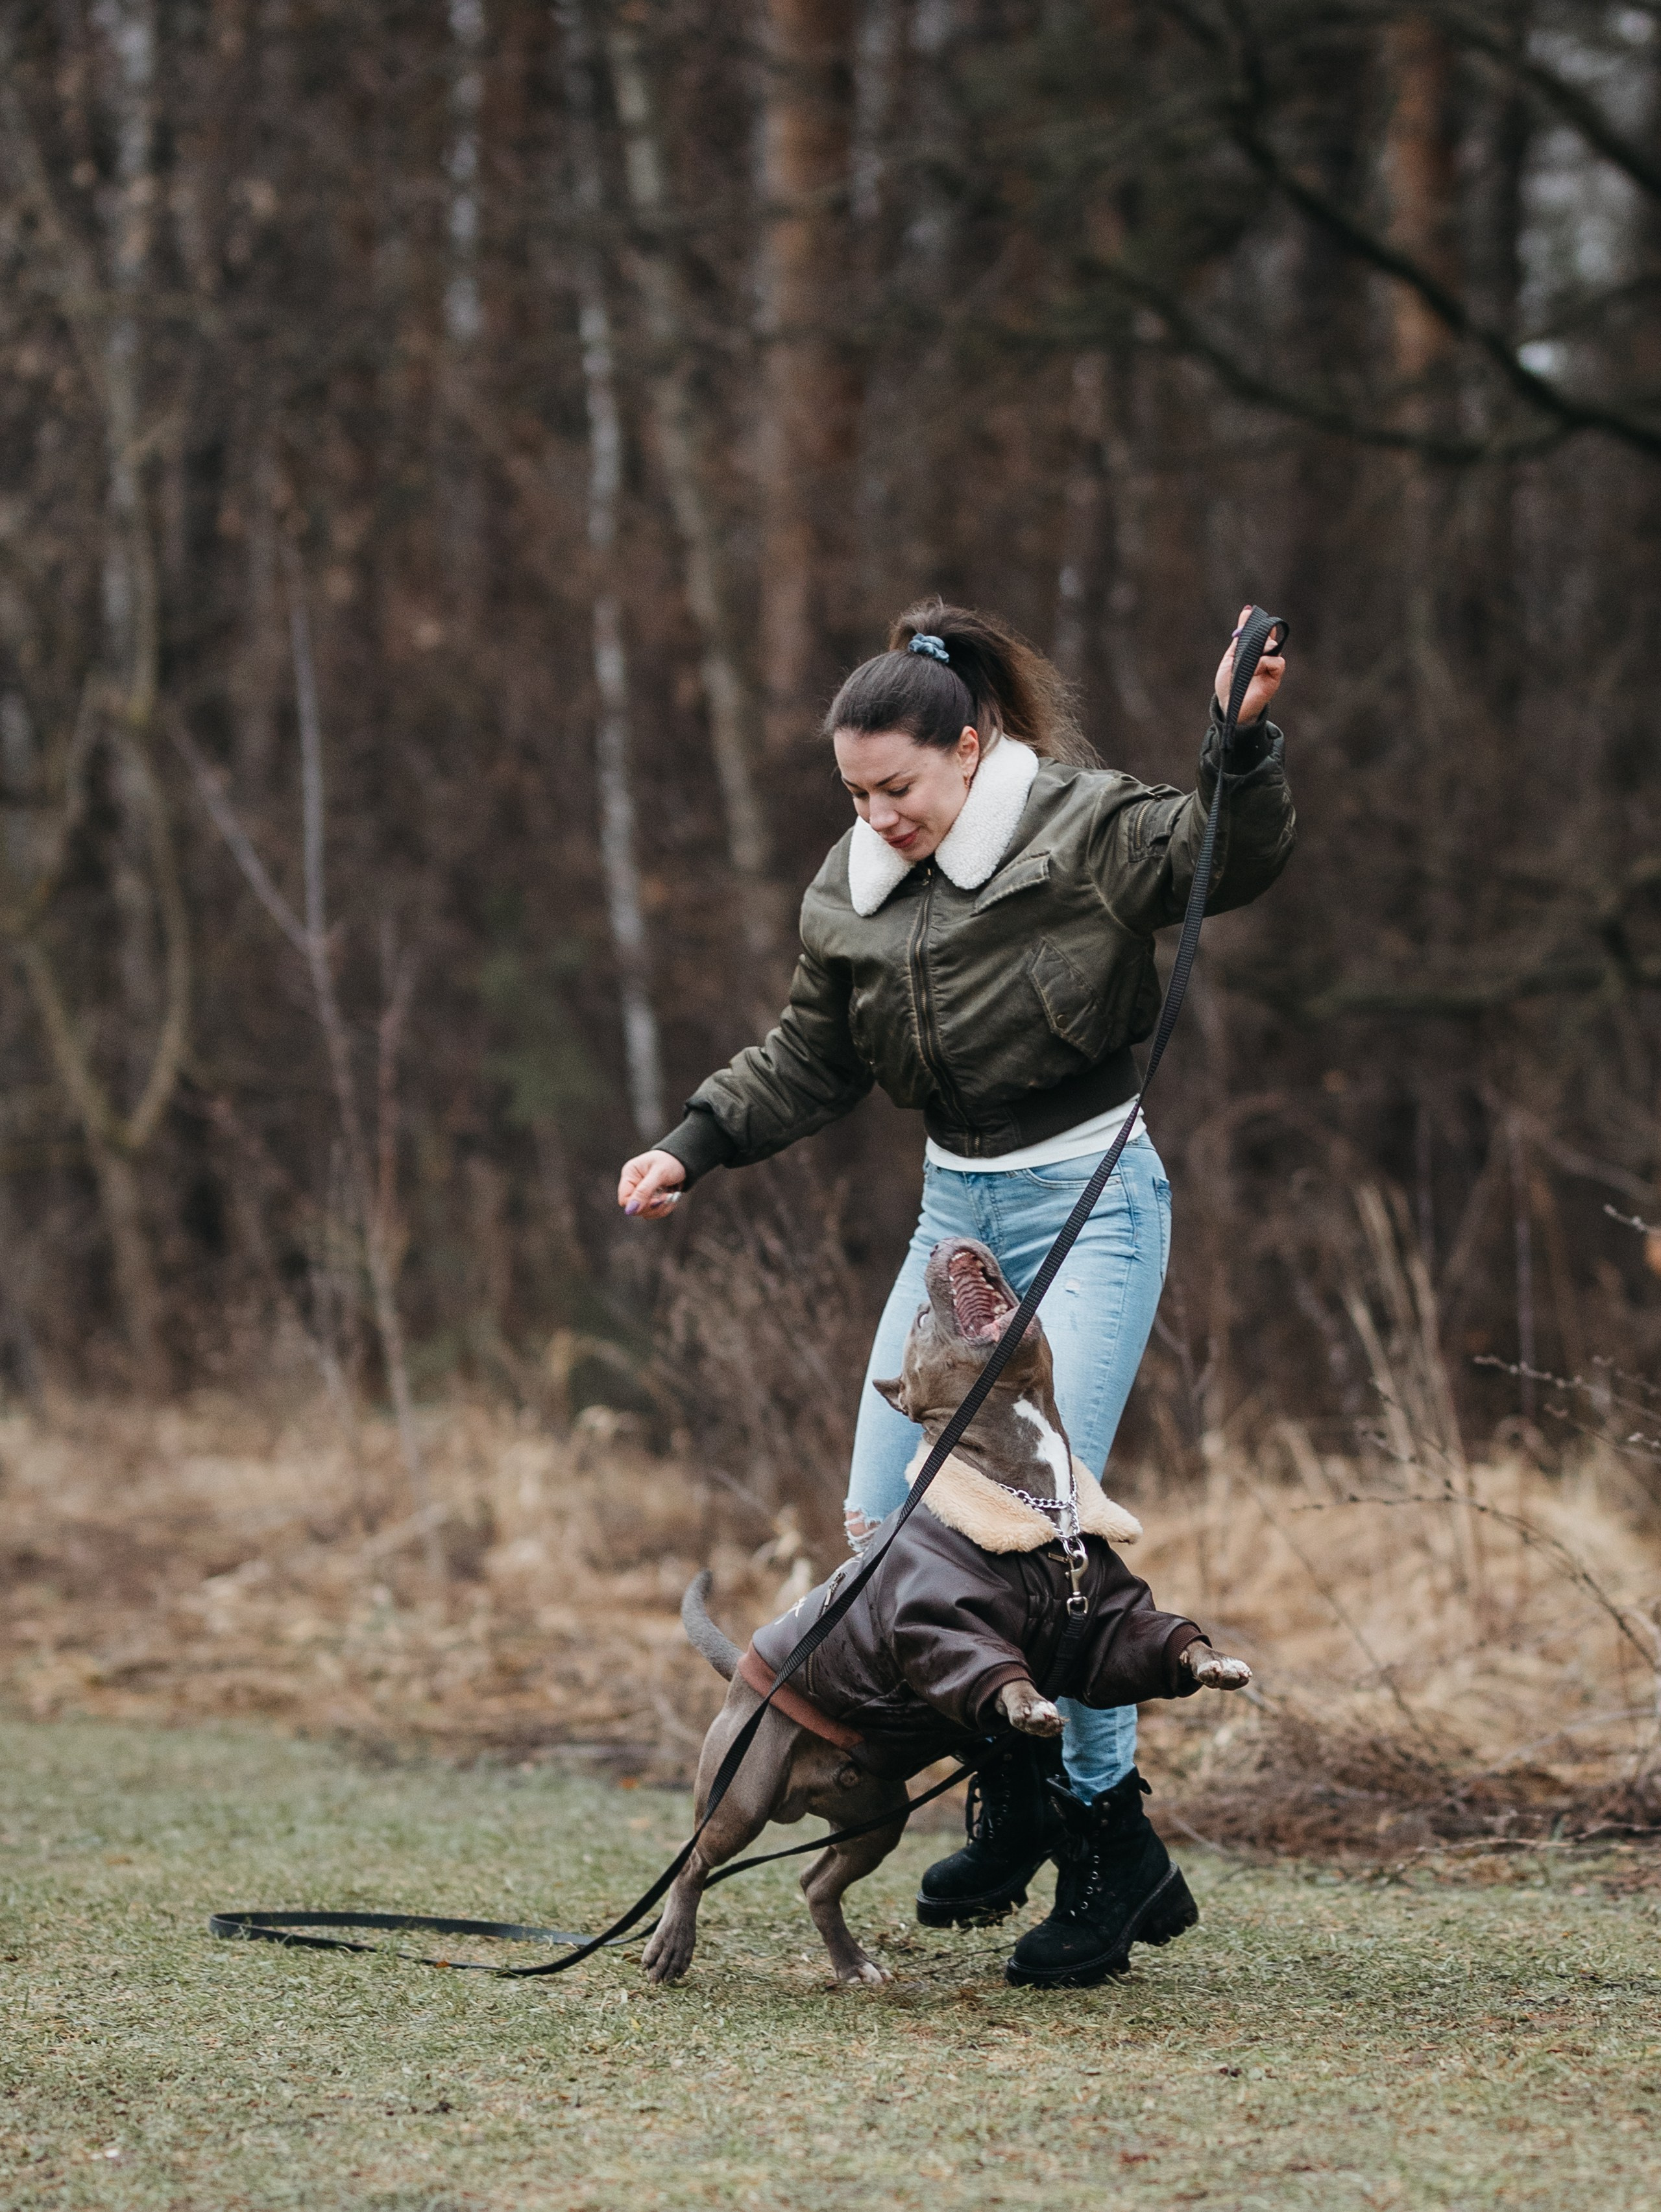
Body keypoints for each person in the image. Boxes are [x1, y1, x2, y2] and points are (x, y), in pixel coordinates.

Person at [618, 598, 1292, 1983]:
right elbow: (807, 1055)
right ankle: (1014, 1785)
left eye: (899, 787)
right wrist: (690, 1146)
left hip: (1090, 1204)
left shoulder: (1083, 827)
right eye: (855, 792)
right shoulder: (850, 888)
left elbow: (1220, 857)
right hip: (954, 1219)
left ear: (972, 750)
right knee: (887, 1536)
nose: (877, 815)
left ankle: (1109, 1851)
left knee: (1042, 1543)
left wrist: (1238, 741)